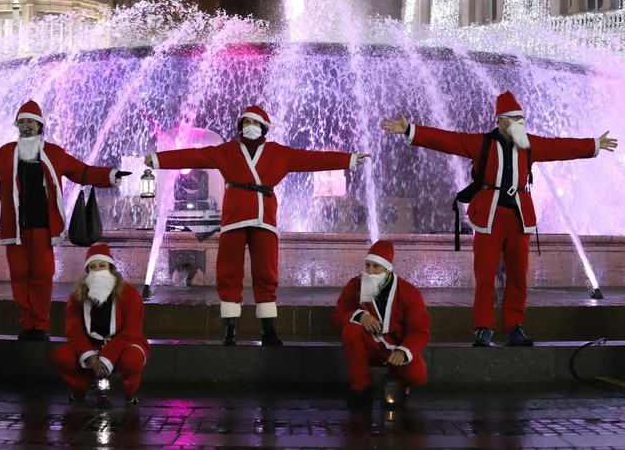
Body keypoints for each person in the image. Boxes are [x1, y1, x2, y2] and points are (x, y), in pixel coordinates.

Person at [381, 91, 618, 347]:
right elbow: (448, 140)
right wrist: (410, 130)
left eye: (522, 119)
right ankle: (483, 328)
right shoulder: (482, 143)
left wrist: (594, 144)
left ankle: (514, 326)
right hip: (489, 217)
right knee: (485, 275)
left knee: (518, 275)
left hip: (519, 217)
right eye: (516, 119)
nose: (521, 123)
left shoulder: (529, 144)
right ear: (502, 121)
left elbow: (559, 146)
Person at [145, 105, 371, 346]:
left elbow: (312, 158)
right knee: (228, 272)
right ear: (239, 127)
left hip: (264, 220)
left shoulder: (278, 153)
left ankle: (268, 330)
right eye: (245, 123)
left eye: (254, 124)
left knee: (266, 272)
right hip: (234, 218)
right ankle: (230, 330)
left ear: (264, 128)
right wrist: (158, 160)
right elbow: (193, 156)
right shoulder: (227, 151)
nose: (249, 128)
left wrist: (349, 159)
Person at [0, 100, 131, 341]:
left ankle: (41, 325)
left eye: (30, 122)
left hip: (44, 228)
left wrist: (110, 175)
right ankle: (27, 324)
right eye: (21, 122)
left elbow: (82, 172)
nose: (25, 126)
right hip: (16, 229)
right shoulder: (5, 154)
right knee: (20, 276)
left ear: (40, 125)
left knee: (42, 276)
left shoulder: (54, 154)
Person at [332, 240, 430, 408]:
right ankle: (361, 387)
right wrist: (359, 316)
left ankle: (396, 377)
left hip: (395, 347)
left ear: (388, 270)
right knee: (351, 330)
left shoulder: (409, 292)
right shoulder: (354, 286)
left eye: (376, 267)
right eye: (367, 265)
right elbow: (337, 317)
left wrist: (403, 351)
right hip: (368, 345)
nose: (370, 272)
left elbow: (420, 331)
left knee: (418, 375)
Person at [51, 243, 150, 406]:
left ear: (110, 268)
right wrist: (91, 357)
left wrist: (106, 358)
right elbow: (73, 330)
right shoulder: (78, 296)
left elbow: (131, 331)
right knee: (61, 355)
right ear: (87, 272)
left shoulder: (130, 294)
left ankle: (131, 392)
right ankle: (83, 385)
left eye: (102, 266)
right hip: (92, 345)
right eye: (92, 267)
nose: (97, 271)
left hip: (124, 343)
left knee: (132, 360)